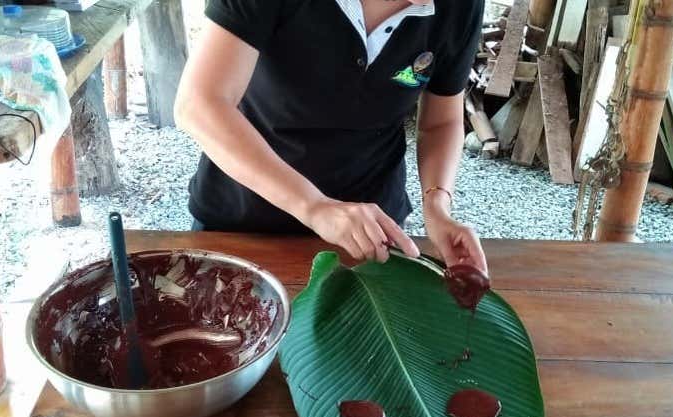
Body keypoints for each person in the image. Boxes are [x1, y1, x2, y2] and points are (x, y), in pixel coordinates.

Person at [175, 0, 488, 273]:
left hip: (369, 232)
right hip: (245, 213)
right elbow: (200, 104)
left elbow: (442, 122)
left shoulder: (460, 6)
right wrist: (314, 206)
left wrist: (437, 206)